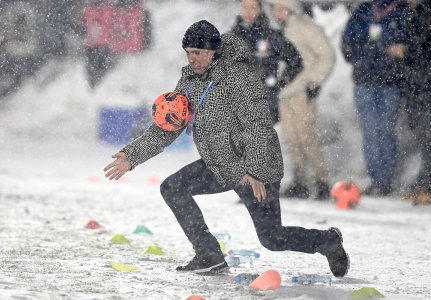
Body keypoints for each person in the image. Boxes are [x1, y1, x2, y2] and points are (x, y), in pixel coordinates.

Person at [104, 20, 349, 277]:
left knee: (272, 238)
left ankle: (327, 241)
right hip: (221, 165)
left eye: (197, 52)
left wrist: (254, 170)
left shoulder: (239, 77)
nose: (192, 58)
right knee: (173, 188)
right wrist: (131, 156)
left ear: (213, 50)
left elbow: (259, 125)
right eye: (188, 52)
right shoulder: (189, 81)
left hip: (256, 167)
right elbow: (170, 125)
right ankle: (208, 253)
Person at [341, 0, 412, 196]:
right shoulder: (363, 11)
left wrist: (396, 53)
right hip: (364, 81)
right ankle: (376, 180)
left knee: (386, 130)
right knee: (370, 131)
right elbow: (347, 42)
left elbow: (411, 44)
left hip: (391, 82)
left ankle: (386, 179)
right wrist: (363, 57)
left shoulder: (402, 11)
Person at [269, 0, 336, 200]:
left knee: (307, 137)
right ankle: (300, 181)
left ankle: (322, 181)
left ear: (290, 9)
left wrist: (314, 80)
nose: (275, 12)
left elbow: (327, 55)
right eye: (274, 8)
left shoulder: (306, 28)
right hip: (285, 92)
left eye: (279, 8)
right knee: (291, 139)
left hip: (301, 91)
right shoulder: (281, 29)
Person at [230, 0, 303, 125]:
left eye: (253, 7)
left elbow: (295, 61)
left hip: (266, 109)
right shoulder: (229, 39)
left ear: (260, 9)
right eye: (245, 7)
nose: (248, 12)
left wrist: (281, 82)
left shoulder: (270, 36)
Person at [401, 0, 431, 204]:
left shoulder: (426, 13)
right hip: (420, 86)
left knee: (430, 138)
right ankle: (425, 182)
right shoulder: (416, 14)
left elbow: (422, 48)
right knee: (426, 138)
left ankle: (428, 187)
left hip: (426, 85)